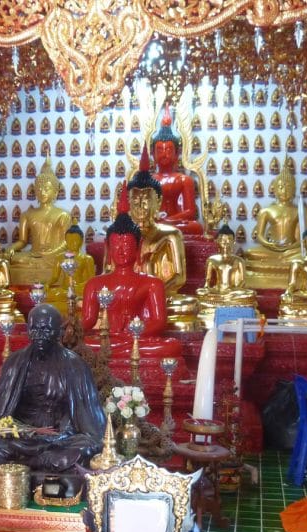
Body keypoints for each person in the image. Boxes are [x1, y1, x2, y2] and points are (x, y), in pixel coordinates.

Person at [0, 303, 106, 498]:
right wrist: (13, 432)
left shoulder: (74, 365)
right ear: (27, 330)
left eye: (46, 329)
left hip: (59, 437)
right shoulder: (15, 362)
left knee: (84, 447)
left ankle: (22, 463)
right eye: (34, 328)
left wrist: (60, 435)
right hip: (18, 436)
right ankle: (35, 462)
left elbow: (88, 418)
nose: (39, 334)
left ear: (59, 332)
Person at [82, 187, 184, 356]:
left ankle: (114, 351)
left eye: (127, 246)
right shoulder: (94, 284)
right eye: (116, 246)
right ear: (108, 247)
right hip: (107, 339)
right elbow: (88, 320)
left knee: (171, 346)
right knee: (82, 345)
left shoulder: (152, 284)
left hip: (137, 339)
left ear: (138, 248)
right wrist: (71, 328)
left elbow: (159, 322)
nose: (121, 251)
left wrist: (134, 332)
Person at [126, 149, 199, 329]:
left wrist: (150, 293)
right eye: (135, 200)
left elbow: (178, 277)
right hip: (126, 298)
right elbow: (109, 272)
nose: (141, 206)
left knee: (187, 306)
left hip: (161, 296)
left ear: (158, 202)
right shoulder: (119, 234)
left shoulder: (170, 235)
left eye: (146, 200)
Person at [7, 158, 72, 286]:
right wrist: (10, 249)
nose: (42, 192)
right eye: (39, 188)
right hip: (34, 255)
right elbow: (22, 241)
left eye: (47, 189)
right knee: (13, 260)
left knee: (66, 260)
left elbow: (67, 242)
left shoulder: (62, 215)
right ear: (35, 190)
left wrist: (50, 253)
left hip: (54, 256)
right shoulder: (27, 214)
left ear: (55, 191)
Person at [246, 161, 303, 288]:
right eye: (281, 187)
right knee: (250, 253)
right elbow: (260, 236)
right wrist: (269, 244)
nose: (284, 191)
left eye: (288, 187)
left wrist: (289, 248)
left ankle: (285, 261)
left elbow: (300, 239)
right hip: (271, 249)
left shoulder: (298, 211)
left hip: (291, 250)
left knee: (304, 255)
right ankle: (283, 261)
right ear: (275, 189)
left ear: (293, 189)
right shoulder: (266, 211)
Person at [149, 106, 203, 236]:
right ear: (152, 154)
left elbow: (190, 212)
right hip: (154, 224)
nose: (164, 154)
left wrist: (168, 221)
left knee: (196, 227)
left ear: (177, 153)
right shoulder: (149, 180)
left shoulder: (184, 180)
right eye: (159, 150)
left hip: (176, 223)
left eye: (168, 150)